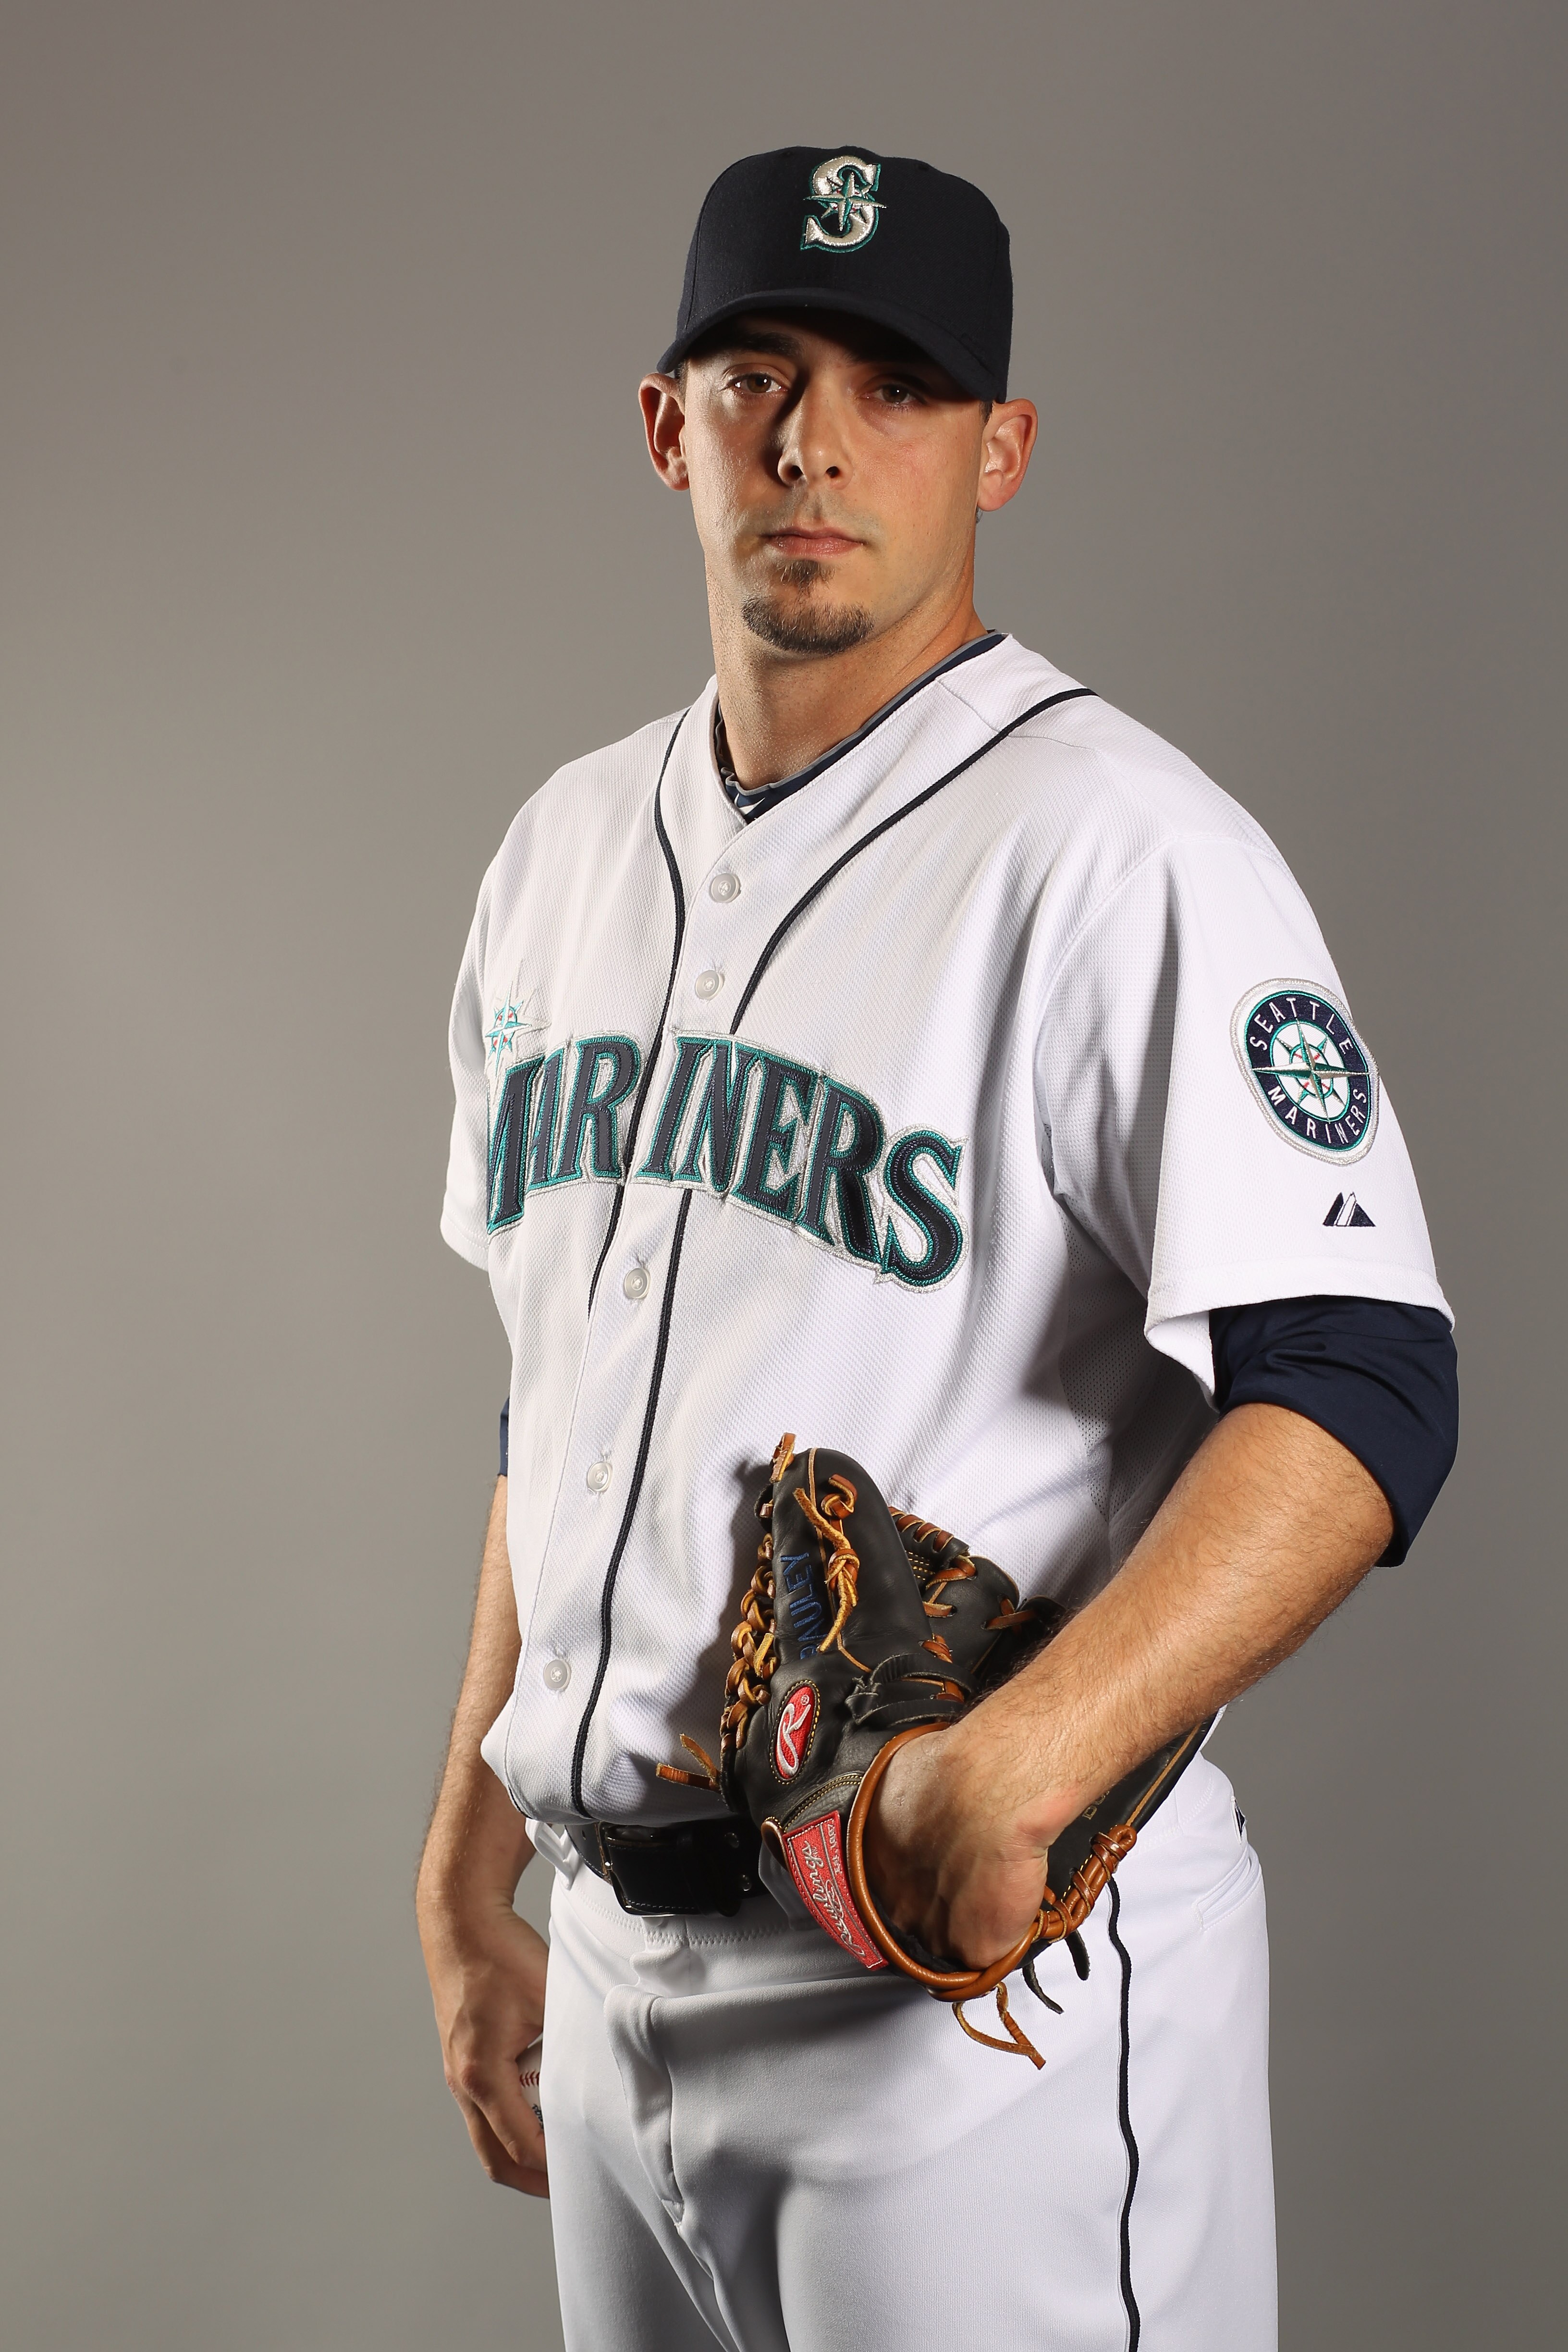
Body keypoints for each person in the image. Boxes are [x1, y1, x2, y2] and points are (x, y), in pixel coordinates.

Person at [416, 147, 1458, 2351]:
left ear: (1003, 447)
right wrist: (466, 1844)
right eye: (758, 373)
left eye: (896, 385)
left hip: (973, 2023)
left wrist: (1027, 1753)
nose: (812, 440)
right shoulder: (560, 852)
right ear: (662, 422)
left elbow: (1364, 1381)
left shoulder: (1126, 850)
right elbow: (560, 1385)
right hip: (618, 1976)